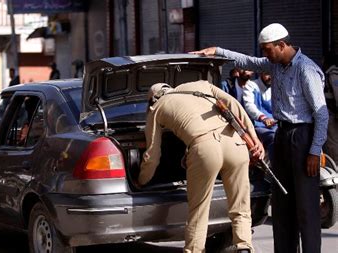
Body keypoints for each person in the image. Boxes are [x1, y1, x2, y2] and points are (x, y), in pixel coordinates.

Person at [191, 23, 328, 253]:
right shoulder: (274, 65)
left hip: (303, 138)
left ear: (282, 45)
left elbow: (321, 113)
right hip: (282, 135)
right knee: (282, 205)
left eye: (267, 49)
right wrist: (218, 51)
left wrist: (315, 150)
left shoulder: (306, 70)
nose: (265, 55)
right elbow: (247, 61)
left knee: (306, 207)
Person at [138, 81, 264, 253]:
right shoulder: (201, 85)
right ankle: (244, 246)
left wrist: (142, 180)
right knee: (241, 205)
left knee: (199, 209)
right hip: (236, 144)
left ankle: (195, 250)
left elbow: (152, 156)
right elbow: (234, 105)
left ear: (153, 99)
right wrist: (254, 139)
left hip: (205, 149)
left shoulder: (157, 108)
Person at [242, 72, 276, 159]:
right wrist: (263, 118)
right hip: (257, 126)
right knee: (273, 137)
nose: (270, 77)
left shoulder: (275, 87)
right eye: (267, 73)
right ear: (261, 73)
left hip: (274, 125)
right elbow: (249, 106)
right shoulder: (251, 85)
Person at [323, 55, 338, 163]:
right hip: (330, 112)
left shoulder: (333, 73)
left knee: (333, 143)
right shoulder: (332, 74)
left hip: (332, 112)